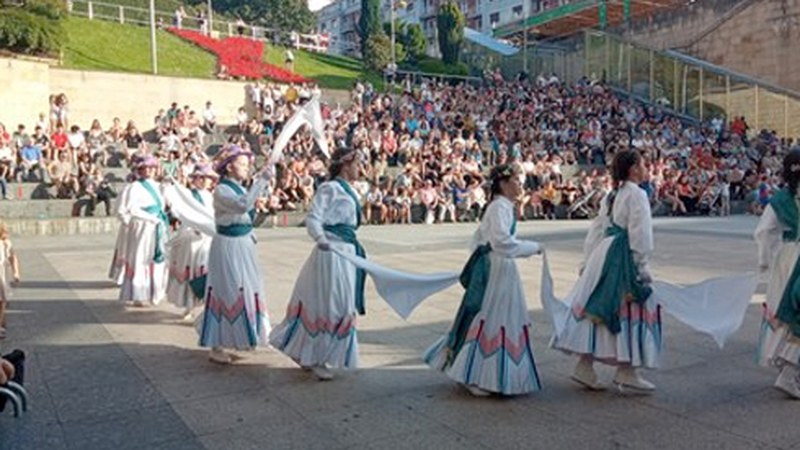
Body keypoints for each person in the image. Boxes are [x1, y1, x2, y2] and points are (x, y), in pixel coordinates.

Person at [424, 164, 544, 397]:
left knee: (494, 315)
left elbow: (484, 239)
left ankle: (480, 372)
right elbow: (501, 243)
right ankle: (473, 373)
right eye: (516, 181)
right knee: (490, 315)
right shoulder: (499, 207)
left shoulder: (503, 206)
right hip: (497, 267)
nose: (520, 185)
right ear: (503, 184)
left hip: (500, 266)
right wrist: (532, 247)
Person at [550, 150, 659, 392]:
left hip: (605, 252)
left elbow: (598, 229)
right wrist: (641, 265)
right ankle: (626, 370)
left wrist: (588, 260)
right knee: (629, 307)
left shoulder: (613, 195)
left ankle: (587, 365)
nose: (646, 169)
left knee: (600, 304)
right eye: (643, 164)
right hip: (622, 256)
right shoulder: (637, 194)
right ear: (633, 169)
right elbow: (640, 233)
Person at [270, 146, 365, 381]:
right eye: (356, 164)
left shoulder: (348, 189)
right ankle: (317, 357)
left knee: (341, 304)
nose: (359, 168)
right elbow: (314, 217)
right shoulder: (330, 188)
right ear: (345, 165)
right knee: (329, 304)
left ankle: (312, 354)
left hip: (346, 251)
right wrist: (321, 238)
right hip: (331, 251)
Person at [198, 145, 272, 365]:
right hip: (228, 246)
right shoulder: (222, 190)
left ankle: (244, 335)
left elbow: (246, 213)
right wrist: (261, 182)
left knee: (249, 287)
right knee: (228, 289)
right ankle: (216, 345)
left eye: (248, 165)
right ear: (229, 167)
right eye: (242, 164)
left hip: (244, 244)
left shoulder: (239, 188)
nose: (247, 168)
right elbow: (242, 206)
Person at [754, 148, 800, 398]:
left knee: (783, 310)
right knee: (795, 314)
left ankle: (785, 365)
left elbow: (764, 231)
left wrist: (766, 260)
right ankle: (789, 372)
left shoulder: (780, 198)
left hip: (786, 256)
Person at [166, 164, 217, 321]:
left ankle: (205, 305)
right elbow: (179, 211)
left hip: (208, 238)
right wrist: (193, 227)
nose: (208, 181)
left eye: (209, 178)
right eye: (205, 178)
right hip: (191, 238)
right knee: (191, 271)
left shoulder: (211, 196)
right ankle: (189, 306)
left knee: (205, 271)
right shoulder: (188, 194)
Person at [118, 155, 169, 306]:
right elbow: (131, 208)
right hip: (142, 225)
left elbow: (163, 205)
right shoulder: (134, 187)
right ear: (139, 170)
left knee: (157, 257)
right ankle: (138, 294)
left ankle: (155, 292)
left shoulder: (159, 186)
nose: (149, 171)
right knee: (140, 257)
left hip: (157, 225)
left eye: (151, 168)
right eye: (145, 168)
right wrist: (150, 218)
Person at [0, 221, 21, 339]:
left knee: (2, 302)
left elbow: (13, 257)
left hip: (1, 277)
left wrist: (16, 273)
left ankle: (0, 325)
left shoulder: (5, 244)